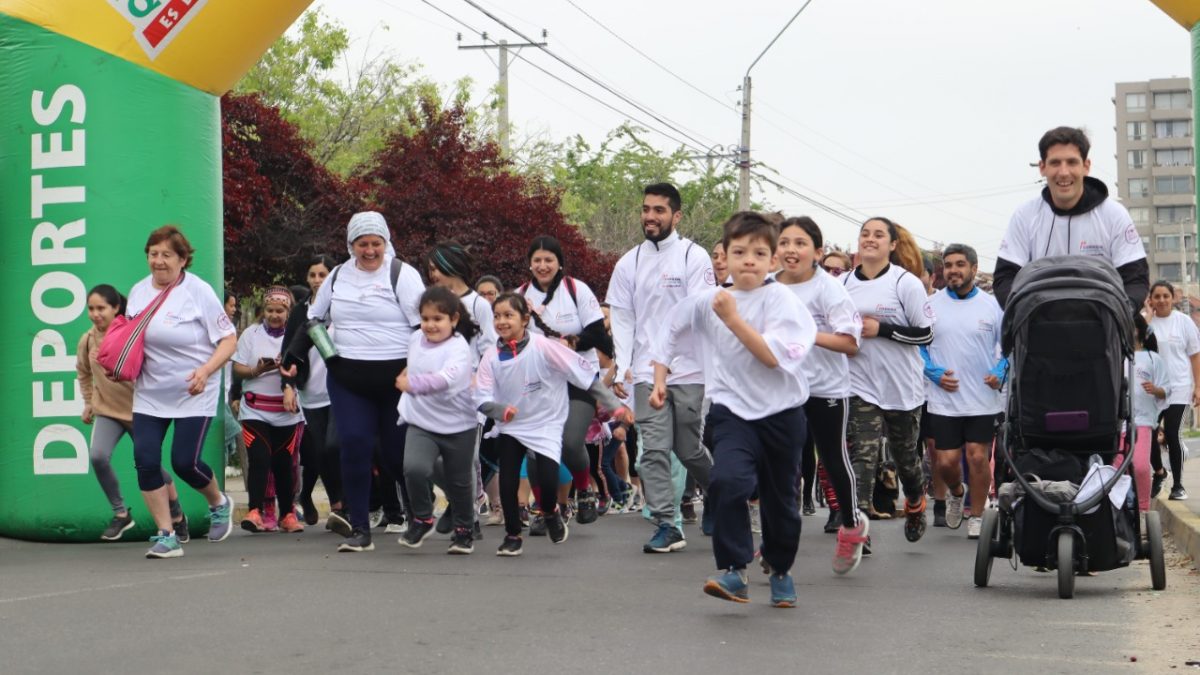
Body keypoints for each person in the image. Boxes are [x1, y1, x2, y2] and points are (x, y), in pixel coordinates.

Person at [651, 211, 816, 607]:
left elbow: (770, 358)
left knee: (781, 502)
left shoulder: (784, 303)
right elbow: (668, 328)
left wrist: (732, 318)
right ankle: (735, 569)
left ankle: (779, 569)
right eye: (738, 251)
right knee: (727, 482)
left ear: (773, 261)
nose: (748, 260)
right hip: (731, 411)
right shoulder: (709, 300)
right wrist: (659, 377)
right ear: (722, 255)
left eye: (759, 253)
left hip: (782, 414)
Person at [286, 211, 425, 552]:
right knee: (353, 445)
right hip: (347, 377)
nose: (369, 251)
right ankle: (360, 528)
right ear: (351, 245)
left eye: (376, 243)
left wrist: (417, 368)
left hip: (395, 379)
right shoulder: (337, 277)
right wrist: (295, 355)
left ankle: (416, 516)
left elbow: (424, 327)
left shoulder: (402, 274)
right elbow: (315, 321)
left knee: (394, 455)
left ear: (386, 243)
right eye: (362, 244)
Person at [476, 292, 632, 557]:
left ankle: (550, 511)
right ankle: (512, 535)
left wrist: (614, 406)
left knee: (548, 484)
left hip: (546, 425)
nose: (501, 321)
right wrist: (501, 410)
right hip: (511, 426)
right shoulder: (491, 356)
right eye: (497, 316)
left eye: (508, 315)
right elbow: (480, 397)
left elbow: (583, 375)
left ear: (525, 319)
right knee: (508, 482)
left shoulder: (543, 346)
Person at [607, 182, 715, 554]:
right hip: (642, 372)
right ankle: (667, 524)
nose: (650, 216)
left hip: (688, 372)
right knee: (652, 450)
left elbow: (701, 312)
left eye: (659, 210)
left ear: (676, 215)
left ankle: (719, 494)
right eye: (646, 209)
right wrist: (624, 366)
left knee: (688, 449)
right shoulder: (629, 262)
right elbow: (622, 318)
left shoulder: (693, 257)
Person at [128, 226, 237, 559]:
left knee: (184, 462)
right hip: (149, 390)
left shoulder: (197, 291)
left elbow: (229, 339)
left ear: (183, 258)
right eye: (153, 254)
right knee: (145, 460)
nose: (158, 262)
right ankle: (167, 534)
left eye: (166, 255)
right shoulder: (137, 291)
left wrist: (206, 370)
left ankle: (218, 503)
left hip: (194, 389)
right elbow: (131, 337)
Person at [775, 217, 869, 574]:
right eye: (784, 242)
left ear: (816, 252)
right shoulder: (768, 286)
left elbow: (850, 343)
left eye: (800, 243)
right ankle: (778, 542)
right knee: (782, 464)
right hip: (782, 388)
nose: (790, 250)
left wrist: (807, 333)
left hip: (825, 388)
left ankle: (850, 522)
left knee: (832, 457)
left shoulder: (828, 289)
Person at [843, 217, 935, 543]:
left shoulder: (904, 283)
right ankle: (859, 528)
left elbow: (926, 334)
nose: (870, 239)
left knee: (906, 459)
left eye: (878, 235)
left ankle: (914, 500)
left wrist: (880, 329)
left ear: (892, 245)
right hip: (859, 384)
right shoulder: (842, 284)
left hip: (901, 387)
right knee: (863, 456)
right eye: (865, 234)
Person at [77, 285, 188, 542]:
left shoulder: (131, 333)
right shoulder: (87, 340)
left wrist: (111, 359)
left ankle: (177, 515)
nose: (95, 314)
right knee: (98, 456)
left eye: (101, 308)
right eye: (91, 309)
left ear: (116, 308)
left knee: (151, 466)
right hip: (107, 410)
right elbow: (83, 372)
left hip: (140, 409)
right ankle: (121, 514)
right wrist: (88, 402)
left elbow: (147, 368)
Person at [993, 126, 1149, 309]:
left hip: (1101, 330)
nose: (1064, 172)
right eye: (1055, 163)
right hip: (1040, 329)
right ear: (1042, 167)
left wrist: (1118, 316)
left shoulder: (1114, 214)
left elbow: (1136, 280)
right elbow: (1004, 278)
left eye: (1072, 162)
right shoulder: (1025, 216)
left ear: (1086, 166)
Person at [519, 236, 614, 525]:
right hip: (539, 382)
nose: (543, 265)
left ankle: (584, 491)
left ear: (559, 262)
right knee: (535, 450)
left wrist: (571, 342)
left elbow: (599, 334)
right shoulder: (520, 295)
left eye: (549, 260)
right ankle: (546, 510)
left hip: (578, 377)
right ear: (530, 264)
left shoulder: (576, 290)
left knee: (572, 441)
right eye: (537, 260)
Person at [920, 244, 1005, 539]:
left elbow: (1008, 347)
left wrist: (1000, 372)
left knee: (978, 458)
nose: (953, 270)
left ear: (973, 267)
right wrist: (930, 371)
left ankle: (977, 516)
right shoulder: (930, 305)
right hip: (944, 399)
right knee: (944, 463)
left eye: (959, 264)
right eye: (948, 265)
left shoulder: (993, 306)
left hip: (982, 398)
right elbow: (918, 346)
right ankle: (957, 491)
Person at [397, 287, 482, 554]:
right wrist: (406, 375)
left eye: (437, 319)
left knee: (459, 481)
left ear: (454, 319)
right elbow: (414, 364)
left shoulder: (458, 348)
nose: (430, 325)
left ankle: (464, 532)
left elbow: (446, 380)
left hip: (459, 425)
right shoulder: (414, 340)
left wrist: (410, 384)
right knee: (413, 468)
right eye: (425, 319)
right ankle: (422, 518)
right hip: (421, 420)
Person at [425, 241, 497, 536]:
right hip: (434, 393)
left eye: (435, 268)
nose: (432, 275)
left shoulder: (479, 304)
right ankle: (460, 501)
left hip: (468, 396)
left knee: (465, 459)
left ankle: (469, 522)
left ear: (452, 266)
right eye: (429, 270)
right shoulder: (430, 300)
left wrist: (478, 379)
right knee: (427, 459)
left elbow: (490, 348)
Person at [234, 286, 307, 533]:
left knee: (284, 463)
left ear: (288, 312)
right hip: (255, 409)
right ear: (263, 311)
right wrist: (258, 369)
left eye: (280, 310)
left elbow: (306, 369)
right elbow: (238, 368)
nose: (275, 315)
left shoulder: (298, 336)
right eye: (270, 310)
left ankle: (287, 514)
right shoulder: (251, 335)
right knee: (259, 458)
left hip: (286, 411)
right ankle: (254, 511)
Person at [282, 255, 344, 530]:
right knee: (321, 452)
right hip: (311, 392)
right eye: (313, 275)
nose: (318, 280)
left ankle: (348, 504)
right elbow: (289, 353)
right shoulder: (301, 312)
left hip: (342, 390)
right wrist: (288, 386)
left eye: (323, 275)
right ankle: (337, 507)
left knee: (336, 447)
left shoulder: (343, 306)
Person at [1147, 280, 1200, 501]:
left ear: (1172, 298)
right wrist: (1147, 318)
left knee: (1172, 433)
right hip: (1151, 390)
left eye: (1165, 296)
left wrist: (1198, 386)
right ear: (1151, 300)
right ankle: (1159, 472)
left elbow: (1195, 355)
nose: (1161, 300)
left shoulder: (1184, 322)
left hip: (1179, 387)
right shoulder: (1145, 323)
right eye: (1157, 296)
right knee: (1147, 434)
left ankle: (1178, 486)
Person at [1127, 313, 1168, 512]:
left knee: (1141, 466)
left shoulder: (1153, 358)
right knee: (1117, 466)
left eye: (1132, 326)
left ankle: (1143, 509)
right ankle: (1120, 508)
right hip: (1117, 422)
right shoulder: (1114, 356)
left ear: (1140, 331)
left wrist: (1156, 389)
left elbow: (1165, 389)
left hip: (1143, 420)